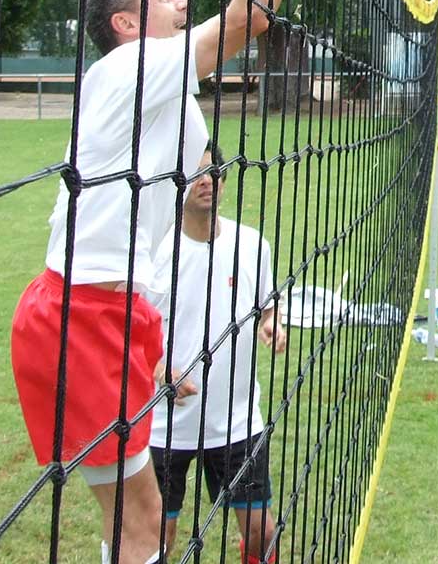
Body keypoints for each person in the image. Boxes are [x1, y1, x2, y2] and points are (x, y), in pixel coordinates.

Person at [9, 0, 315, 564]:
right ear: (125, 23)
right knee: (140, 521)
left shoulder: (159, 92)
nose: (181, 1)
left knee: (138, 520)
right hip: (83, 313)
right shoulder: (132, 67)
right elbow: (249, 18)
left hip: (116, 310)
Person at [109, 143, 287, 564]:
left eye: (215, 171)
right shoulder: (153, 254)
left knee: (262, 533)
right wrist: (157, 369)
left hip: (238, 422)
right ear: (176, 183)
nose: (207, 180)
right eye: (195, 173)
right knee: (159, 540)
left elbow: (267, 303)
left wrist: (272, 322)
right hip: (165, 426)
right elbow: (124, 332)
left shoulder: (252, 245)